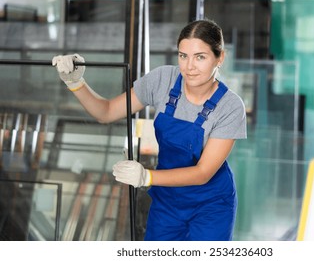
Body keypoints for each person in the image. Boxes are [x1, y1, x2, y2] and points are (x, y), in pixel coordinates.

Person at [52, 19, 247, 241]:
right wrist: (75, 83)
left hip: (210, 206)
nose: (189, 67)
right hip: (167, 201)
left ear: (220, 57)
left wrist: (146, 176)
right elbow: (106, 112)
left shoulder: (230, 107)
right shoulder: (163, 80)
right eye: (183, 56)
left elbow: (203, 173)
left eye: (200, 57)